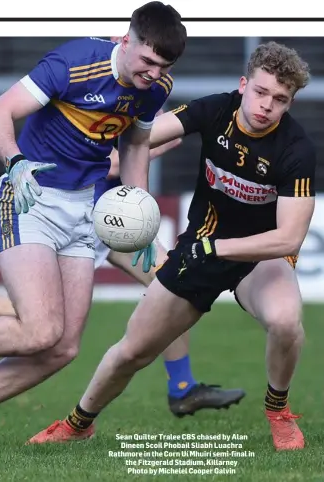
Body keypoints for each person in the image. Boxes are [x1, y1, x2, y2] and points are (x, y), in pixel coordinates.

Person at [28, 41, 316, 451]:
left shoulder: (296, 149)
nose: (267, 104)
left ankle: (278, 411)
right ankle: (78, 423)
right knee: (132, 351)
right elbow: (139, 136)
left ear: (290, 103)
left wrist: (217, 250)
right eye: (261, 91)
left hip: (259, 257)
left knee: (287, 321)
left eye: (280, 99)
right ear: (243, 85)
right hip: (200, 246)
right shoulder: (216, 108)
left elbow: (288, 238)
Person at [0, 14, 244, 416]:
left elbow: (136, 145)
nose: (154, 74)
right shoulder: (75, 62)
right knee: (40, 330)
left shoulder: (155, 89)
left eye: (164, 68)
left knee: (63, 347)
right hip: (29, 199)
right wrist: (15, 161)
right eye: (148, 62)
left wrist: (139, 213)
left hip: (85, 209)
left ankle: (182, 385)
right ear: (125, 40)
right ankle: (183, 386)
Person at [0, 138, 245, 415]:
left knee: (172, 284)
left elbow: (161, 135)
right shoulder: (100, 103)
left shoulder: (146, 99)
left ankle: (182, 388)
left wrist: (152, 137)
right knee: (44, 321)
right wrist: (149, 142)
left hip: (114, 216)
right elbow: (114, 163)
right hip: (74, 213)